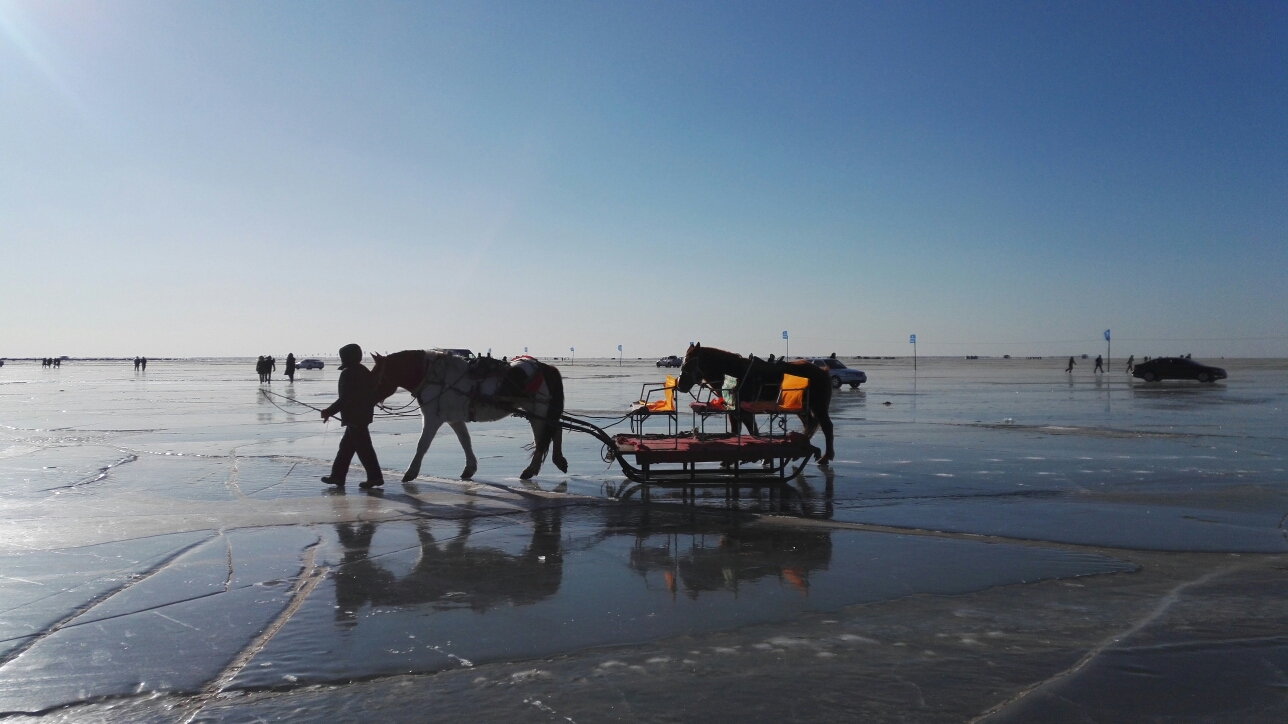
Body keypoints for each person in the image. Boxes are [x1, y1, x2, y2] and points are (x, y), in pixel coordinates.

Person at [320, 343, 384, 489]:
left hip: (355, 418)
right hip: (362, 416)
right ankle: (338, 477)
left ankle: (375, 477)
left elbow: (346, 398)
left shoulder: (348, 373)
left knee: (364, 449)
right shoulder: (364, 371)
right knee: (346, 448)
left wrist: (329, 411)